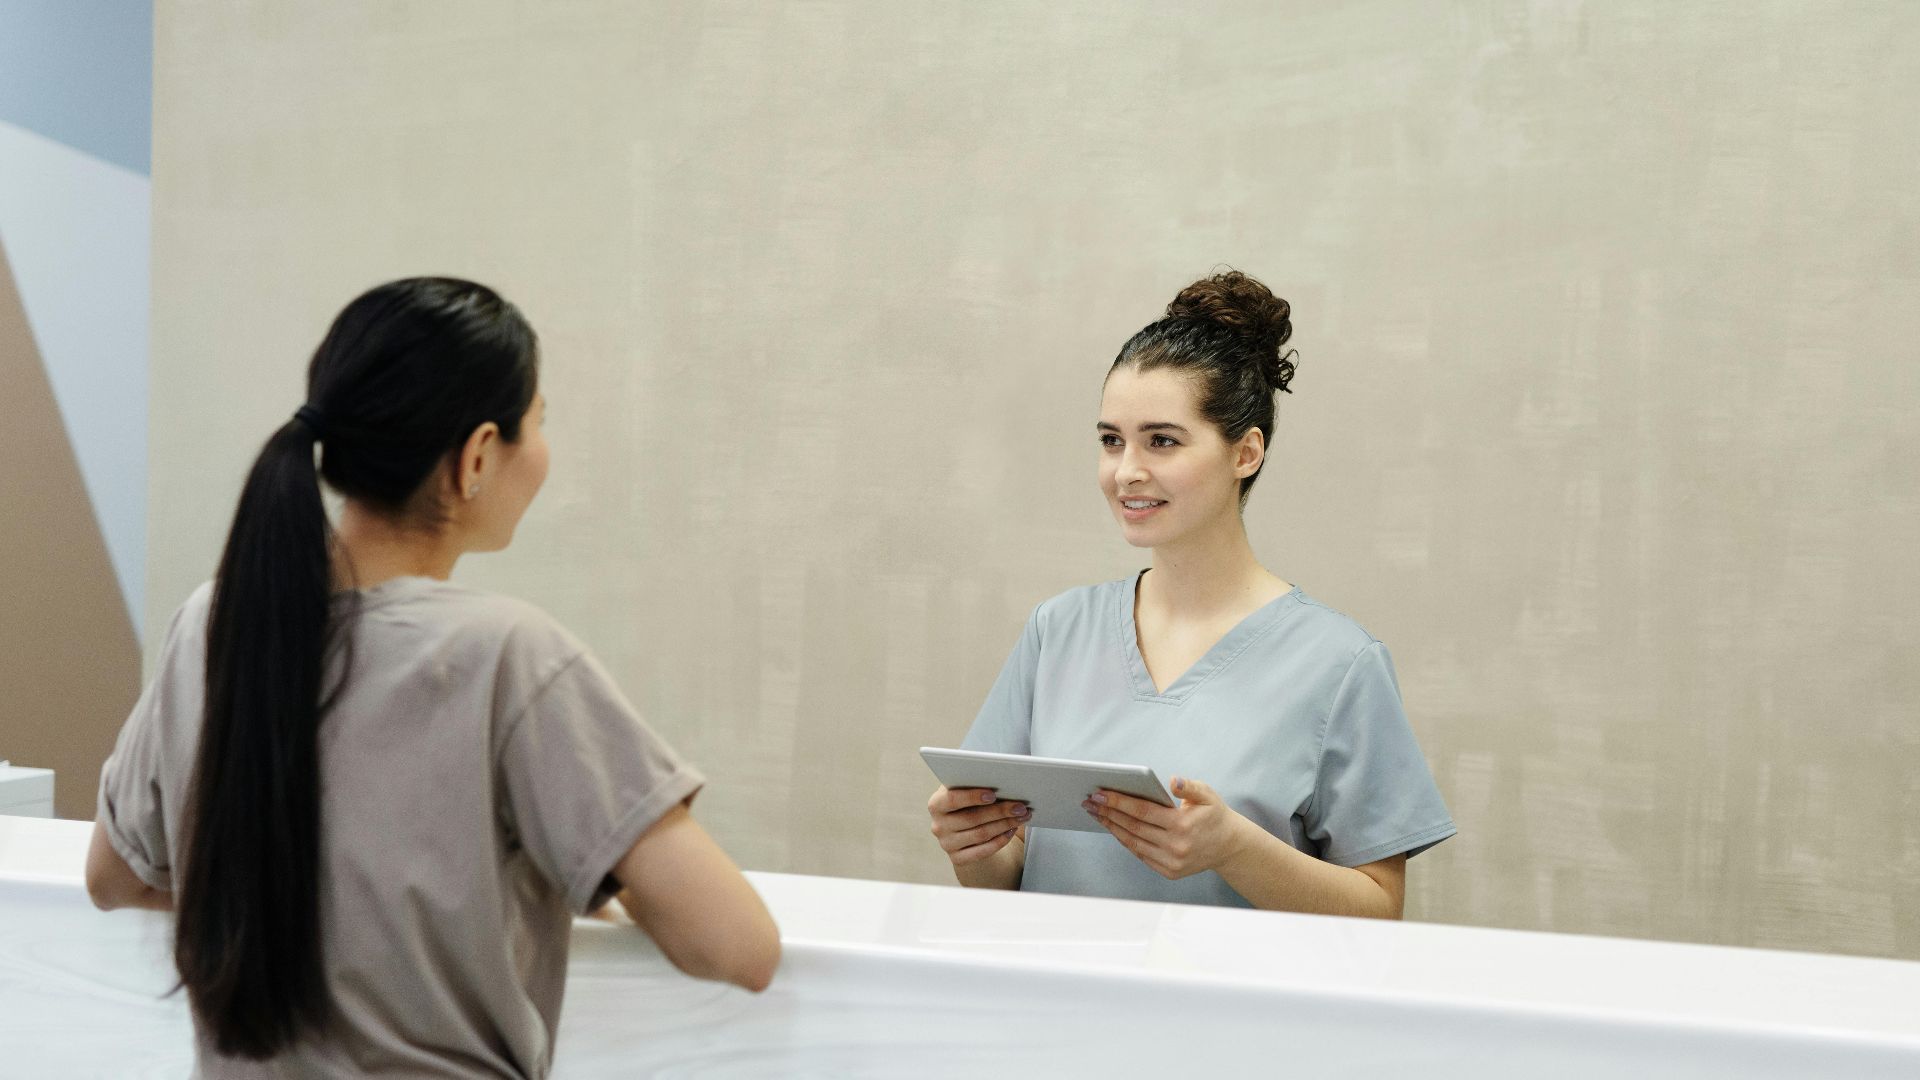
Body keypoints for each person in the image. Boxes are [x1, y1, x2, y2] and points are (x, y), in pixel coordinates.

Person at [84, 277, 779, 1076]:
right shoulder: (508, 657)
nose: (544, 453)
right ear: (478, 455)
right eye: (539, 425)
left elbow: (115, 876)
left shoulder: (211, 623)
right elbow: (739, 946)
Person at [927, 270, 1454, 916]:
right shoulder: (1057, 632)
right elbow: (1009, 878)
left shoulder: (1340, 665)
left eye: (1162, 441)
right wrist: (974, 849)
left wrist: (1234, 848)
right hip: (1057, 1014)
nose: (1127, 471)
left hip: (1234, 1017)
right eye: (1111, 441)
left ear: (1246, 453)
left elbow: (1379, 910)